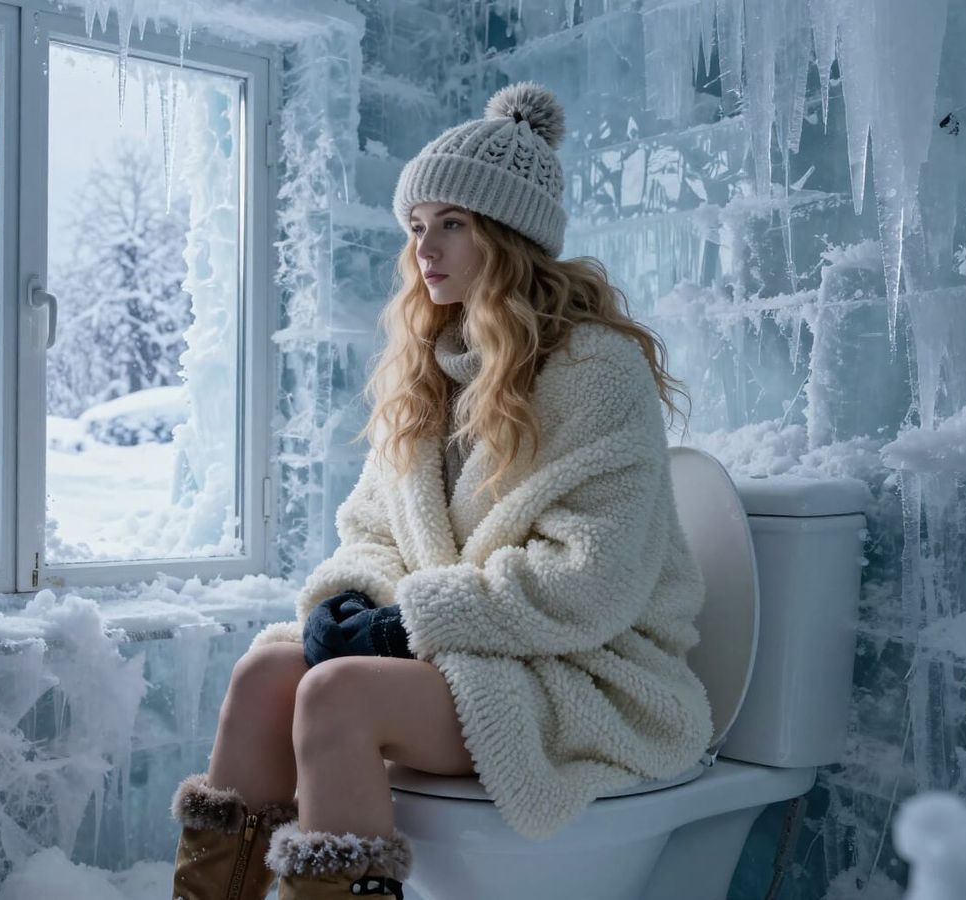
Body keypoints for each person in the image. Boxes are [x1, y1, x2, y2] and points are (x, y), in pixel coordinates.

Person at [168, 82, 714, 900]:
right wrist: (349, 600)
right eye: (418, 227)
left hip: (583, 667)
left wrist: (405, 626)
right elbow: (374, 529)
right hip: (467, 647)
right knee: (262, 679)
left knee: (338, 696)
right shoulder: (427, 366)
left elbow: (589, 578)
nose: (427, 247)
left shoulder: (594, 369)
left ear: (510, 233)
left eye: (452, 223)